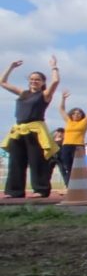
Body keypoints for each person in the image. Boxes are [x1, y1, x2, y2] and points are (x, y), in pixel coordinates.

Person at [2, 56, 60, 198]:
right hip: (18, 130)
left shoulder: (44, 95)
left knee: (37, 161)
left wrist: (54, 67)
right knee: (16, 161)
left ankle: (40, 189)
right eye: (32, 79)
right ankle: (14, 191)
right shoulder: (23, 93)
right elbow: (2, 82)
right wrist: (11, 67)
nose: (34, 81)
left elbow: (56, 81)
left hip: (35, 131)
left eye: (37, 79)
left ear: (42, 83)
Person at [57, 90, 87, 186]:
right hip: (66, 145)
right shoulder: (69, 121)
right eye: (74, 113)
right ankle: (70, 186)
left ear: (81, 115)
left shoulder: (84, 122)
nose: (76, 115)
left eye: (78, 113)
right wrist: (63, 98)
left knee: (78, 167)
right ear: (71, 115)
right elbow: (61, 109)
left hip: (78, 146)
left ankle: (80, 185)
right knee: (67, 166)